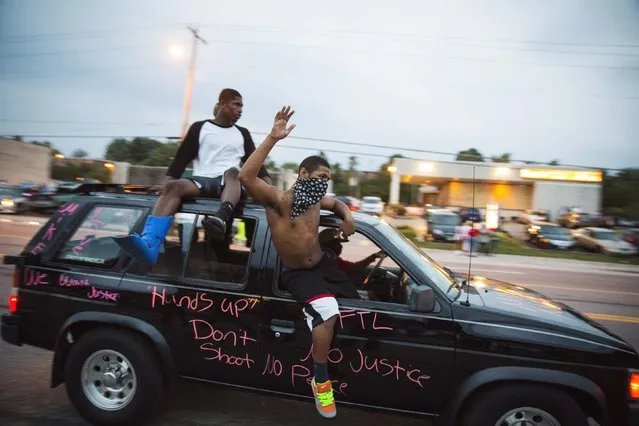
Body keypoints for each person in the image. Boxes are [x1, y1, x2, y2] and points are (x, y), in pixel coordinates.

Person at [239, 106, 357, 419]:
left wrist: (348, 218)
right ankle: (320, 381)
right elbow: (246, 176)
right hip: (298, 274)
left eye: (328, 180)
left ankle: (325, 334)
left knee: (362, 305)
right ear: (303, 175)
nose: (324, 185)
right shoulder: (277, 202)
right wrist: (273, 138)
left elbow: (339, 203)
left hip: (323, 265)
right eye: (320, 178)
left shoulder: (316, 201)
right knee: (328, 310)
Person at [114, 88, 271, 265]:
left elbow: (257, 166)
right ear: (222, 104)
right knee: (174, 187)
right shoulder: (200, 127)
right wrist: (166, 184)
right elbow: (181, 159)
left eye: (242, 106)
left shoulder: (242, 133)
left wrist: (270, 191)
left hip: (230, 185)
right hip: (202, 182)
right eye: (236, 105)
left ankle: (221, 218)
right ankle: (150, 243)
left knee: (234, 172)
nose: (240, 110)